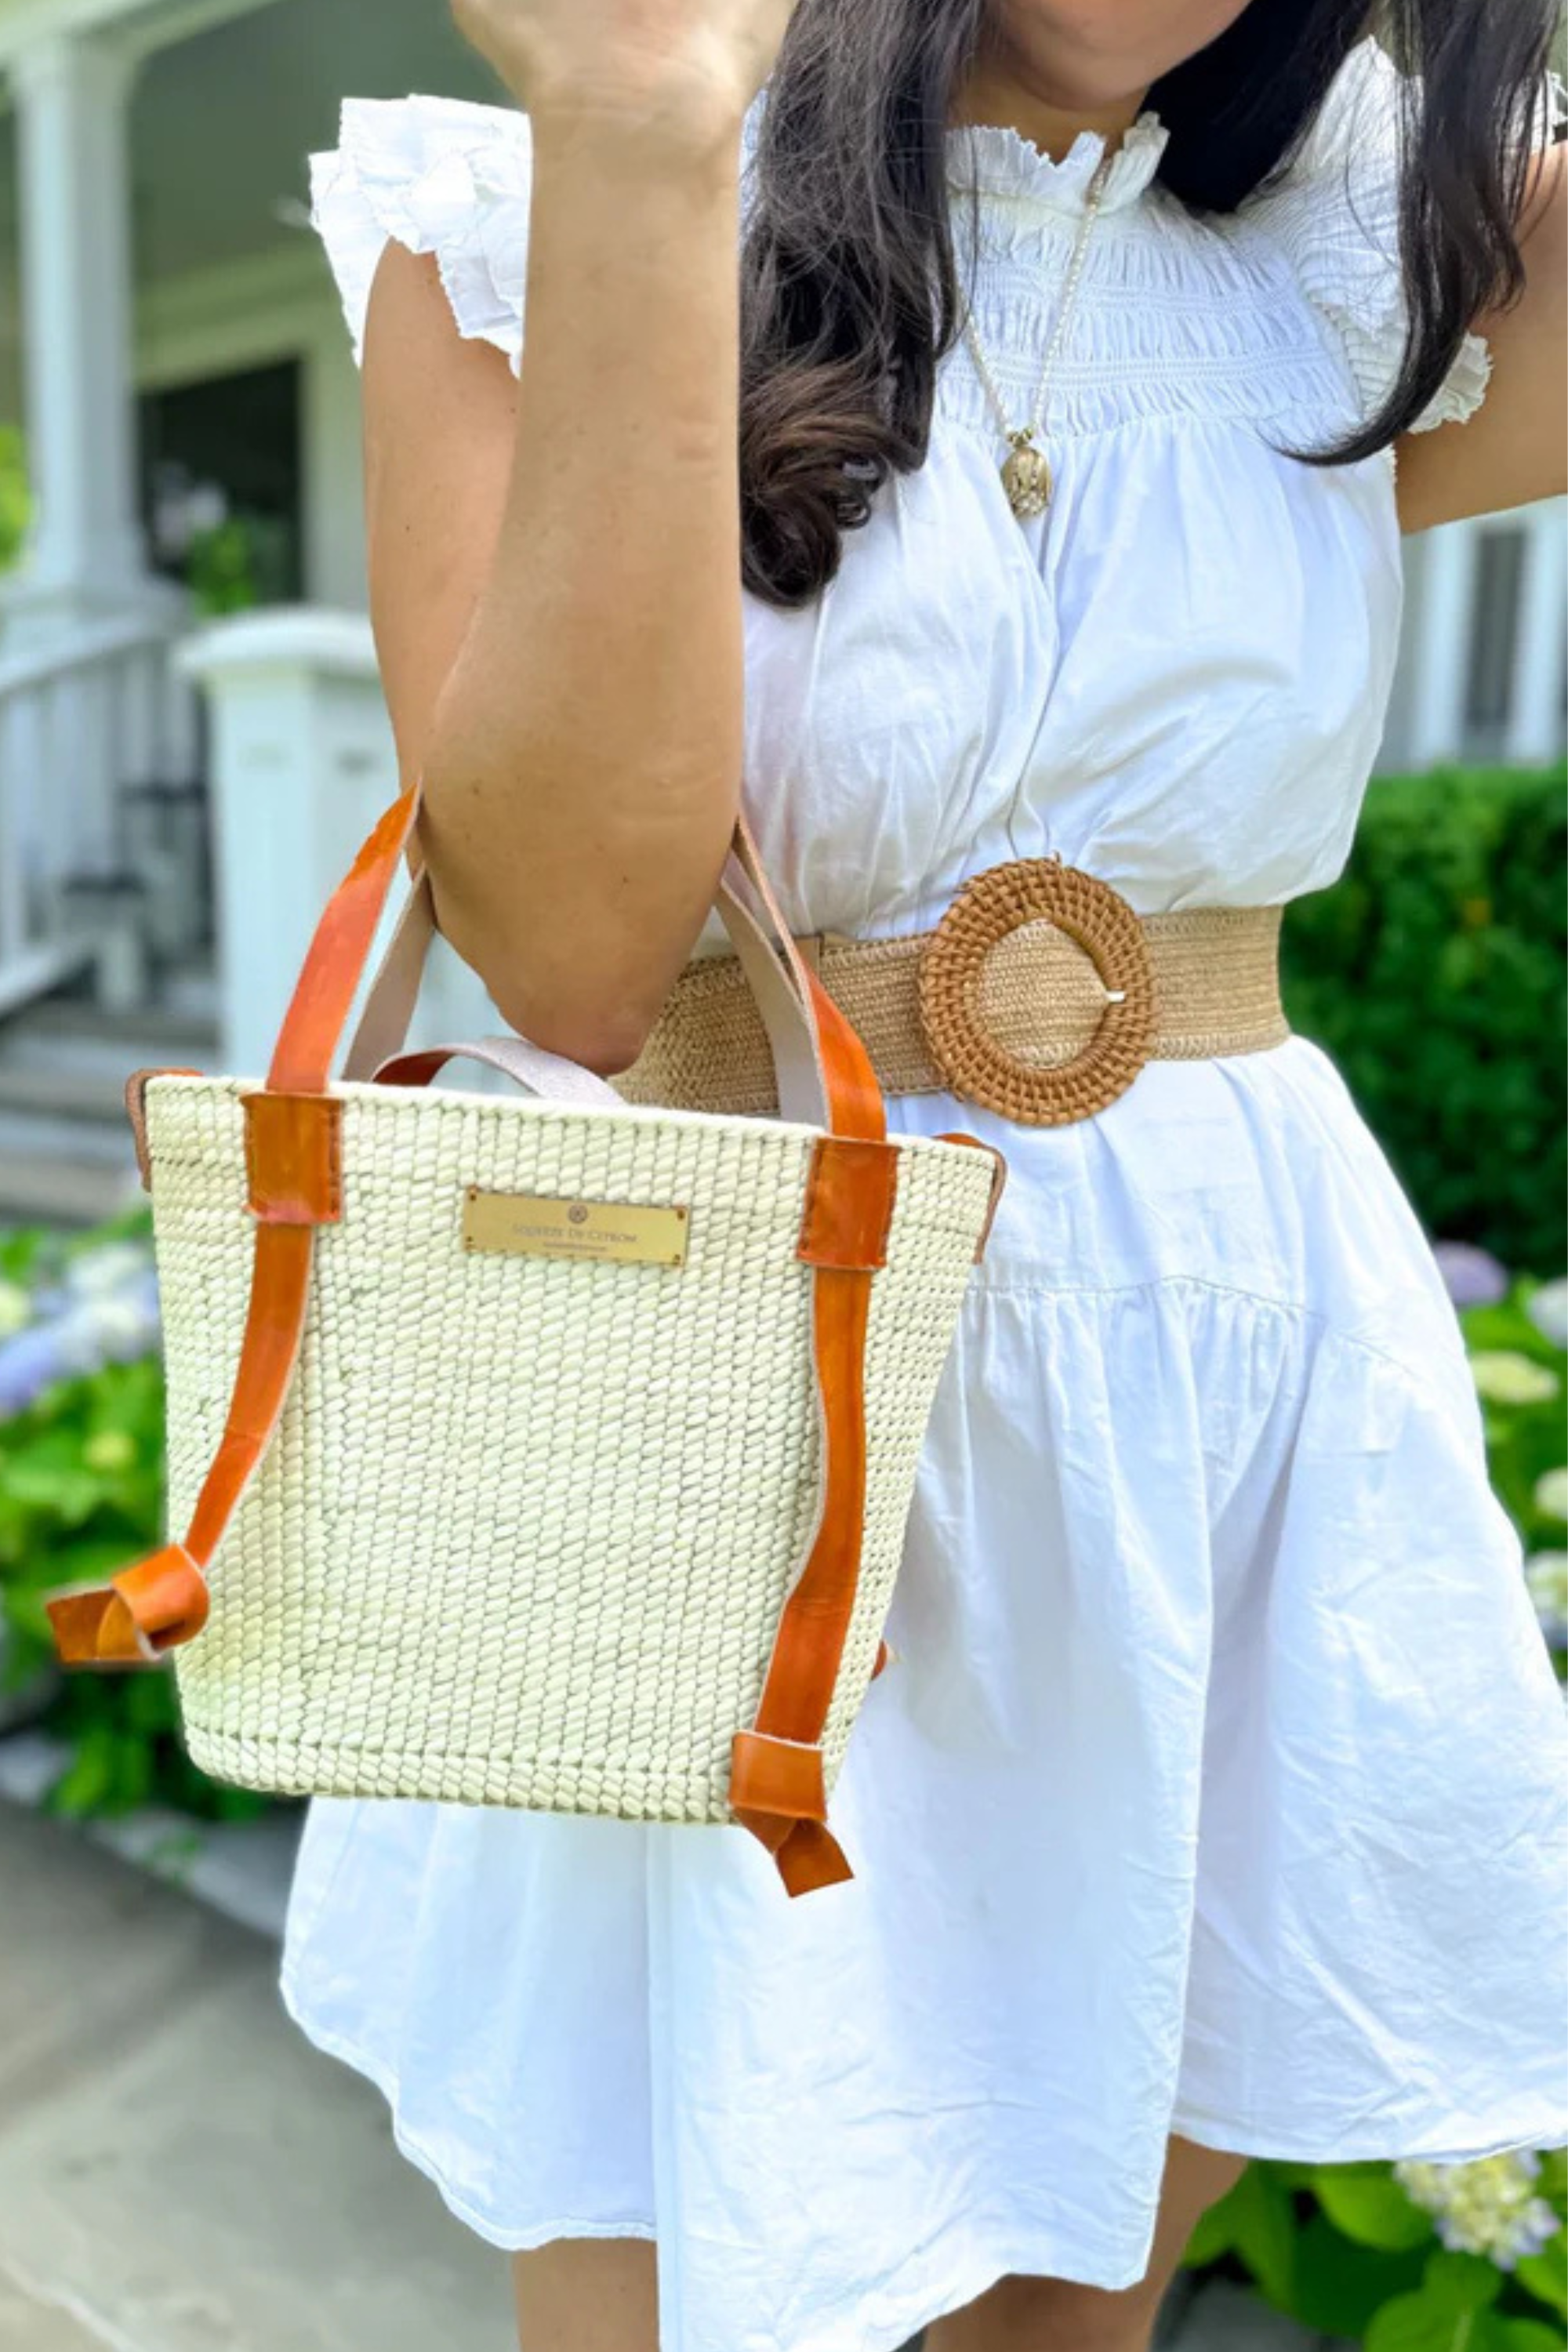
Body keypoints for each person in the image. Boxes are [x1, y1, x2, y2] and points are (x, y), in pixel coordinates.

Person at [281, 2, 1568, 2347]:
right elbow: (571, 955)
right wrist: (655, 139)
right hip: (732, 1399)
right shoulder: (513, 204)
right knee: (680, 2282)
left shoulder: (1394, 236)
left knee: (1074, 2302)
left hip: (1209, 1400)